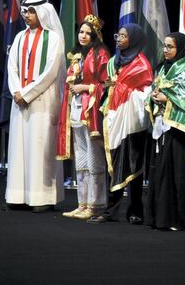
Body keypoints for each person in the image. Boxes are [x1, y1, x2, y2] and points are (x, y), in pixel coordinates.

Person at [5, 0, 65, 212]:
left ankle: (42, 197)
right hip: (19, 100)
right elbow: (12, 67)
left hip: (43, 101)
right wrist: (16, 91)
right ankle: (17, 195)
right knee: (19, 147)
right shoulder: (20, 37)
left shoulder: (54, 39)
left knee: (41, 146)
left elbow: (51, 72)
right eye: (26, 12)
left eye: (31, 12)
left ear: (42, 13)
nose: (27, 16)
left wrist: (27, 93)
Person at [88, 23, 152, 224]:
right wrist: (111, 89)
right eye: (118, 35)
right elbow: (108, 88)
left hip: (133, 123)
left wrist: (121, 87)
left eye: (123, 36)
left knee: (133, 166)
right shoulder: (114, 61)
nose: (118, 38)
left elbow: (145, 94)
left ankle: (135, 212)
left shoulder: (142, 65)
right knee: (113, 164)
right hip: (115, 119)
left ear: (133, 39)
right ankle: (110, 211)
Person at [56, 14, 111, 220]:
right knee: (80, 158)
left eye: (88, 33)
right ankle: (82, 203)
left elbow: (106, 84)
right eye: (81, 32)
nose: (83, 36)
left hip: (92, 112)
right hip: (76, 110)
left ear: (95, 35)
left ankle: (96, 204)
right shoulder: (76, 55)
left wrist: (86, 87)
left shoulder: (101, 54)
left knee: (94, 158)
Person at [145, 32, 185, 231]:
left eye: (171, 47)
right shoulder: (161, 68)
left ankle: (178, 219)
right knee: (161, 171)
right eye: (165, 46)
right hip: (162, 126)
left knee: (177, 172)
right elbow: (154, 89)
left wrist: (166, 98)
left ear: (180, 48)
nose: (166, 50)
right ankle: (161, 218)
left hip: (178, 128)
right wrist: (153, 96)